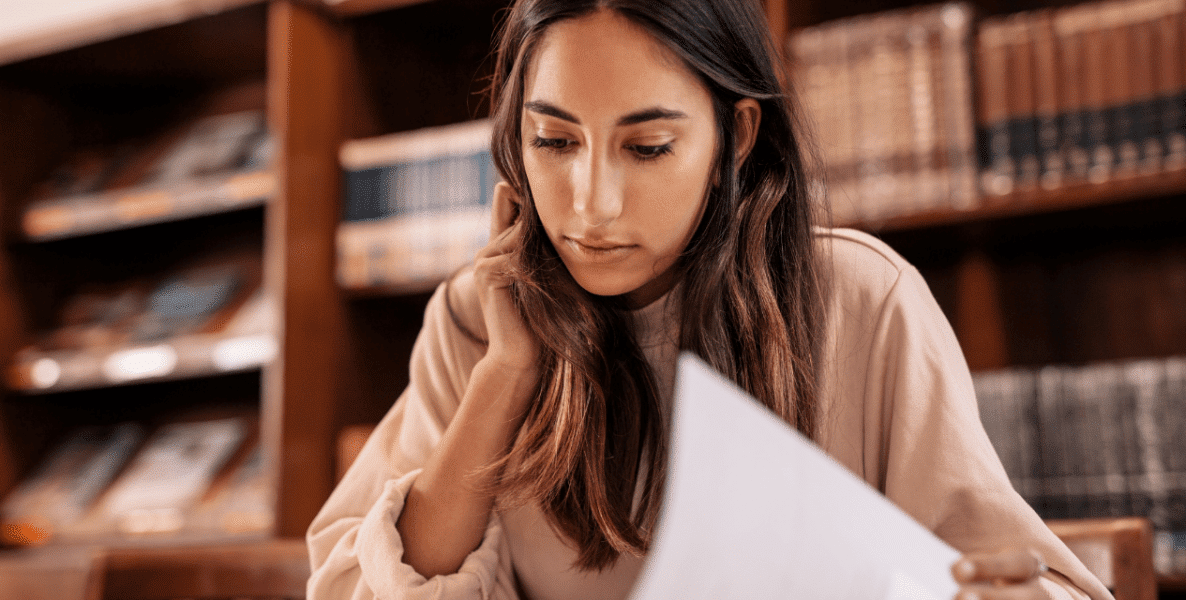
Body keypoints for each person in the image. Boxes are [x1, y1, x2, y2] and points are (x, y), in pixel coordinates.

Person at [307, 1, 1113, 599]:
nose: (591, 206)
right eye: (553, 141)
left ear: (737, 136)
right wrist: (506, 375)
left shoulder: (863, 302)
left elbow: (1031, 584)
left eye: (649, 147)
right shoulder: (478, 319)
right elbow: (354, 586)